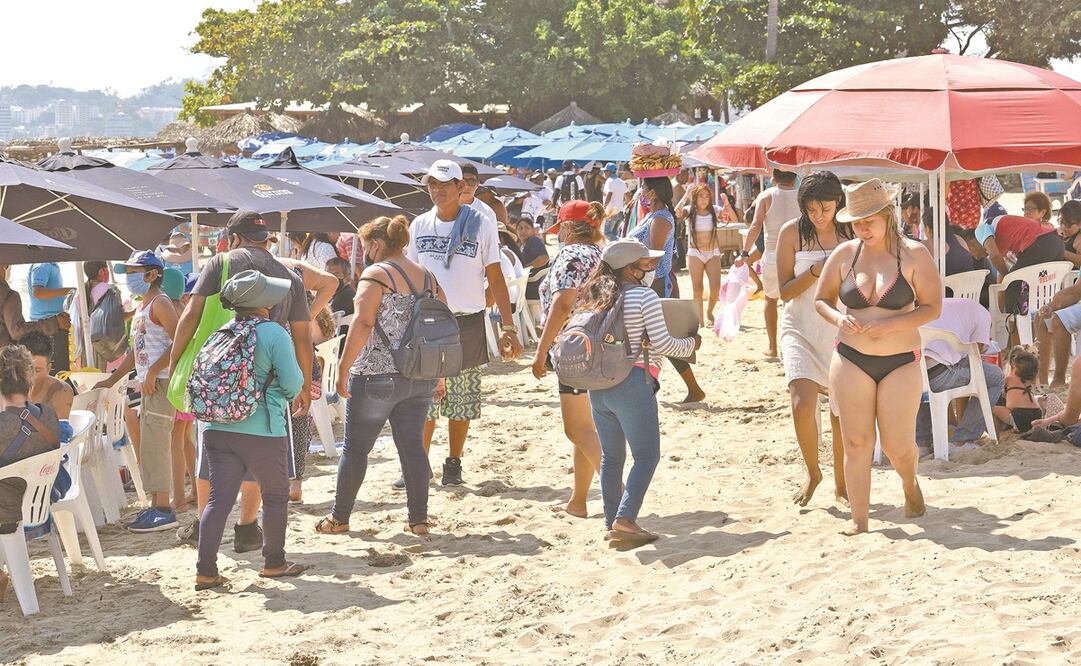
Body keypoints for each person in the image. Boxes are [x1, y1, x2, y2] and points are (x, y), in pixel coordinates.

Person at [171, 211, 314, 547]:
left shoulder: (220, 262)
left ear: (234, 237)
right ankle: (248, 528)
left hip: (224, 376)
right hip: (269, 380)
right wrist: (305, 386)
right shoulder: (289, 275)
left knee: (212, 450)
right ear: (266, 240)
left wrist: (177, 361)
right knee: (258, 453)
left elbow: (191, 314)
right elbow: (303, 337)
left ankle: (207, 524)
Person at [814, 178, 941, 536]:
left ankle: (910, 483)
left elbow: (933, 307)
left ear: (888, 214)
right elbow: (821, 300)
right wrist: (840, 317)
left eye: (869, 219)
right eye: (856, 221)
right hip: (851, 356)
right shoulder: (845, 254)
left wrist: (894, 324)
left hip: (900, 359)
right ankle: (860, 520)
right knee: (856, 442)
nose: (862, 227)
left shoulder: (914, 254)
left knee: (898, 446)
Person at [316, 216, 443, 537]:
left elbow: (363, 323)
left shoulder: (376, 274)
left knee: (356, 449)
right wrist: (439, 374)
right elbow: (441, 324)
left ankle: (340, 518)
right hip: (419, 374)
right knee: (412, 447)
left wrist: (343, 368)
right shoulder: (427, 276)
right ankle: (419, 520)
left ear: (375, 244)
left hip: (376, 375)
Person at [406, 160, 523, 486]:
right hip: (426, 322)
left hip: (467, 321)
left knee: (461, 399)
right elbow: (411, 276)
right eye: (432, 184)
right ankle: (419, 463)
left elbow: (495, 276)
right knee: (424, 398)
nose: (438, 190)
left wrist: (508, 327)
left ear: (461, 187)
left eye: (445, 184)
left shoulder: (481, 224)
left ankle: (453, 462)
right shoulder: (419, 225)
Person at [577, 239, 699, 542]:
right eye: (646, 264)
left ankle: (611, 521)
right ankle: (626, 518)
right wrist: (692, 345)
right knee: (646, 455)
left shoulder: (595, 297)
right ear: (630, 269)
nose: (651, 269)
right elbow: (664, 344)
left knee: (611, 458)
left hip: (597, 385)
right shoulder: (644, 297)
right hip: (632, 381)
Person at [195, 270, 307, 591]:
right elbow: (293, 383)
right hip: (264, 430)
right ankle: (274, 563)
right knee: (274, 496)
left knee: (218, 500)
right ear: (261, 303)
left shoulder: (222, 331)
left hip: (217, 428)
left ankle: (206, 571)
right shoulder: (273, 333)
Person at [775, 171, 851, 506]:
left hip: (839, 329)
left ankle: (842, 484)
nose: (818, 216)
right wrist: (816, 271)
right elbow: (785, 292)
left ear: (839, 203)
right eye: (811, 209)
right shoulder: (791, 232)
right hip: (799, 327)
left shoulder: (850, 232)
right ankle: (813, 472)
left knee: (840, 414)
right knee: (802, 403)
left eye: (826, 208)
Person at [96, 251, 180, 533]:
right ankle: (157, 503)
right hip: (149, 382)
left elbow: (181, 340)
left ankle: (164, 508)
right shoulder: (145, 304)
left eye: (135, 271)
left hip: (161, 382)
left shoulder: (161, 303)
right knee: (149, 444)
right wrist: (113, 379)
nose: (131, 277)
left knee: (156, 443)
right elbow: (136, 351)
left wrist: (155, 371)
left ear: (153, 274)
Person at [531, 201, 605, 518]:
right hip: (601, 344)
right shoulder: (600, 254)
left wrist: (540, 351)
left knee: (577, 430)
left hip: (575, 347)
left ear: (568, 227)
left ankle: (621, 487)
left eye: (559, 227)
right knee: (586, 427)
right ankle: (578, 501)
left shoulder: (571, 256)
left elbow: (563, 303)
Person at [629, 176, 705, 403]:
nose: (640, 191)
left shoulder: (661, 219)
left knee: (663, 336)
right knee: (657, 336)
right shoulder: (653, 216)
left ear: (652, 192)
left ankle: (680, 387)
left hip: (656, 284)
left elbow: (653, 256)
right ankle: (688, 388)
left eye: (644, 188)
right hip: (649, 282)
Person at [916, 298, 1005, 452]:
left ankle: (922, 443)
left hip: (912, 374)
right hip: (940, 376)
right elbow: (977, 351)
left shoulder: (943, 304)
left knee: (924, 384)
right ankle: (963, 439)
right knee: (996, 376)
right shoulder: (983, 314)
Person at [0, 344, 61, 547]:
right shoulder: (49, 415)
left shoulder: (3, 425)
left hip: (7, 515)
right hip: (40, 508)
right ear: (30, 381)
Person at [739, 170, 800, 358]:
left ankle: (773, 347)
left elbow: (756, 225)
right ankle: (795, 347)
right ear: (794, 178)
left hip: (773, 254)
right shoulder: (802, 195)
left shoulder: (766, 195)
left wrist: (745, 252)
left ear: (773, 178)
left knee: (771, 300)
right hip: (798, 254)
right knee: (796, 302)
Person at [967, 214, 1064, 314]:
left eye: (971, 254)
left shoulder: (980, 229)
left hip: (1040, 243)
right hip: (1057, 244)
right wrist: (997, 316)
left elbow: (994, 255)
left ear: (971, 245)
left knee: (1014, 288)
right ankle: (1033, 324)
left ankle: (1015, 327)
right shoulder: (1007, 241)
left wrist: (1009, 278)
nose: (976, 258)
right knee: (1034, 289)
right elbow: (1002, 281)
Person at [678, 184, 724, 327]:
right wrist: (686, 194)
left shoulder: (715, 210)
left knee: (716, 287)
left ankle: (710, 312)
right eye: (700, 196)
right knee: (697, 288)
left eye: (707, 196)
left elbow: (733, 218)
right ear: (695, 198)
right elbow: (676, 212)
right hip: (695, 253)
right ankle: (700, 319)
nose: (704, 200)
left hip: (713, 252)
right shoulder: (690, 210)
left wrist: (727, 204)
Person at [27, 261, 75, 373]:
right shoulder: (43, 265)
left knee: (60, 369)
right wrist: (68, 291)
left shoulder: (51, 265)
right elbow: (38, 292)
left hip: (55, 323)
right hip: (48, 326)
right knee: (56, 370)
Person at [19, 331, 73, 420]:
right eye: (24, 368)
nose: (29, 376)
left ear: (48, 369)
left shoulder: (60, 391)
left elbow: (60, 432)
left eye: (36, 370)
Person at [991, 346, 1043, 433]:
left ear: (1014, 368)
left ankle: (996, 437)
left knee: (991, 409)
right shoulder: (1030, 381)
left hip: (1019, 416)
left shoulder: (1009, 379)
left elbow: (997, 390)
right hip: (1037, 414)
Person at [920, 211, 974, 276]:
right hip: (971, 284)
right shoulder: (959, 239)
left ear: (927, 228)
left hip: (946, 285)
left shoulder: (926, 245)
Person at [516, 216, 550, 302]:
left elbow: (544, 258)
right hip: (525, 284)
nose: (523, 231)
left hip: (533, 285)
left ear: (532, 231)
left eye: (527, 228)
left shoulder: (533, 240)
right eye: (520, 228)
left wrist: (526, 267)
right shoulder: (520, 245)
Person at [601, 163, 629, 241]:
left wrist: (604, 206)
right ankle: (617, 248)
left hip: (611, 211)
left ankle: (619, 243)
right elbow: (627, 195)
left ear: (609, 172)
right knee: (615, 233)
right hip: (620, 211)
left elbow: (609, 194)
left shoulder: (609, 181)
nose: (604, 173)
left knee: (607, 232)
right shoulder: (621, 181)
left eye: (605, 171)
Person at [1057, 200, 1081, 268]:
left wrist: (1060, 251)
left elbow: (1079, 263)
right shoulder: (1058, 231)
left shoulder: (1079, 239)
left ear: (1079, 224)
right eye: (1061, 221)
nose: (1063, 227)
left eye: (1068, 224)